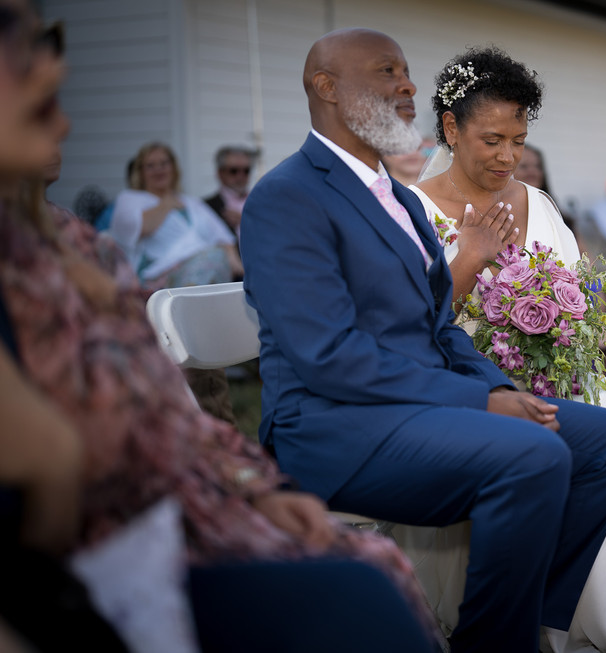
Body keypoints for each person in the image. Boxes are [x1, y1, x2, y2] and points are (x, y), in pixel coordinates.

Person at [0, 6, 440, 650]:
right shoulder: (284, 195)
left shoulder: (82, 246)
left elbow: (169, 411)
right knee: (364, 594)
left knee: (375, 570)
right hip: (107, 546)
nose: (67, 124)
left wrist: (258, 488)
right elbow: (50, 470)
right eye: (41, 107)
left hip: (193, 493)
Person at [239, 28, 606, 653]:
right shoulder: (286, 197)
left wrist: (499, 387)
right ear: (326, 87)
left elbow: (437, 325)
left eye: (406, 71)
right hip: (331, 427)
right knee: (534, 455)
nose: (407, 85)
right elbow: (328, 356)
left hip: (414, 407)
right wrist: (480, 405)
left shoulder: (396, 198)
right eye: (385, 71)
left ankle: (510, 618)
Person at [402, 46, 606, 653]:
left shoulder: (536, 204)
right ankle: (561, 621)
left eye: (519, 141)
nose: (508, 157)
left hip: (555, 371)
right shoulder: (412, 212)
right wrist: (470, 259)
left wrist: (570, 338)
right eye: (492, 139)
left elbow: (579, 296)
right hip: (468, 384)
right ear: (450, 128)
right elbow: (409, 327)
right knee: (568, 432)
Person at [514, 143, 606, 389]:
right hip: (543, 284)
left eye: (537, 166)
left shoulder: (560, 214)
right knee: (587, 291)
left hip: (577, 277)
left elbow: (586, 258)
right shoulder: (514, 211)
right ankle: (595, 360)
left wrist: (592, 281)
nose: (533, 171)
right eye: (525, 166)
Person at [107, 141, 243, 291]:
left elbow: (222, 236)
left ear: (173, 168)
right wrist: (166, 202)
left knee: (220, 260)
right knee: (214, 258)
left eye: (164, 164)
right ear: (140, 171)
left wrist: (236, 264)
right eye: (151, 165)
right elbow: (139, 227)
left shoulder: (190, 202)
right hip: (156, 277)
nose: (159, 170)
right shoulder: (130, 198)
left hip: (205, 268)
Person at [204, 144, 257, 241]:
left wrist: (247, 222)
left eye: (246, 171)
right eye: (234, 171)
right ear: (220, 173)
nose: (240, 176)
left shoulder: (260, 202)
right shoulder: (206, 207)